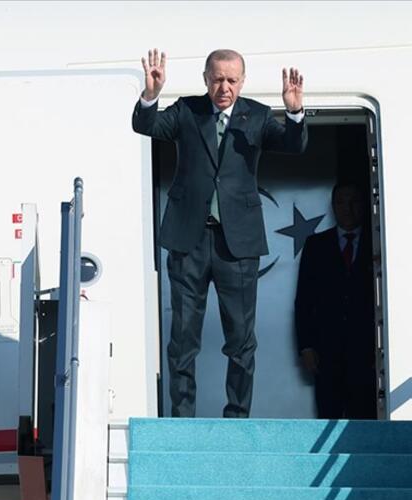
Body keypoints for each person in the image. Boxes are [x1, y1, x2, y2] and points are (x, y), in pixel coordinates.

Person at [132, 49, 307, 418]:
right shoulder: (187, 110)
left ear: (242, 82)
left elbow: (295, 145)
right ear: (205, 79)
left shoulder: (257, 115)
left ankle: (237, 418)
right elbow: (147, 127)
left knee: (241, 339)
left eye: (231, 80)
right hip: (188, 241)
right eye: (217, 79)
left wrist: (294, 113)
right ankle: (182, 420)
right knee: (183, 338)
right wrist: (151, 95)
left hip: (238, 245)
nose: (224, 87)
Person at [295, 183, 377, 419]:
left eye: (354, 202)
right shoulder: (316, 245)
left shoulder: (377, 242)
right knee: (328, 415)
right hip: (326, 352)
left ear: (363, 205)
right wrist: (306, 347)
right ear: (333, 206)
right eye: (341, 202)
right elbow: (304, 300)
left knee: (364, 419)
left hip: (366, 352)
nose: (347, 208)